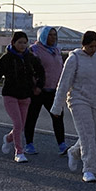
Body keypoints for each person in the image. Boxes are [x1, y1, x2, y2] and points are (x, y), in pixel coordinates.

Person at [50, 31, 96, 183]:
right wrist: (57, 107)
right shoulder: (74, 59)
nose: (93, 49)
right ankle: (89, 169)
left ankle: (74, 152)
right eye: (91, 46)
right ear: (84, 45)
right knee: (87, 134)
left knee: (91, 135)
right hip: (78, 100)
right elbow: (64, 84)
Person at [0, 31, 45, 163]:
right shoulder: (6, 58)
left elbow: (41, 71)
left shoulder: (30, 57)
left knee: (21, 126)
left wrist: (39, 86)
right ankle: (19, 152)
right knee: (17, 124)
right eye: (19, 42)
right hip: (10, 95)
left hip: (26, 96)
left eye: (25, 43)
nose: (22, 45)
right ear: (13, 43)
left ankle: (8, 138)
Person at [24, 26, 68, 156]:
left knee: (58, 116)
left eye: (54, 35)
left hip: (54, 91)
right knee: (32, 117)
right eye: (50, 35)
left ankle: (62, 144)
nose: (53, 37)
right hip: (38, 91)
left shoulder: (56, 50)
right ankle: (29, 144)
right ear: (43, 36)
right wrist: (35, 86)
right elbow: (30, 69)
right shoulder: (34, 50)